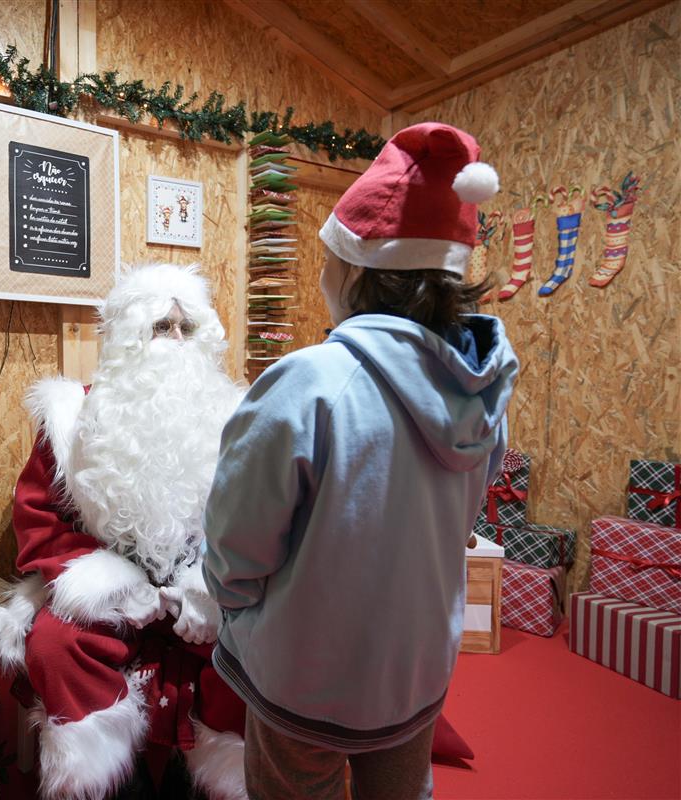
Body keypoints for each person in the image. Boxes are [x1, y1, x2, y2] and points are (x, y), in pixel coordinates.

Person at [202, 122, 520, 800]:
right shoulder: (481, 386)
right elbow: (468, 510)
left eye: (326, 258)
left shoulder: (309, 382)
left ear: (354, 269)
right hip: (416, 671)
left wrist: (244, 620)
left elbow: (237, 545)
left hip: (306, 678)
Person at [0, 263, 250, 800]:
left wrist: (210, 586)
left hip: (201, 592)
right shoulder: (74, 418)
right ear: (128, 338)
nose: (176, 341)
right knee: (56, 645)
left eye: (188, 329)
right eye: (161, 327)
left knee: (255, 649)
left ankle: (209, 782)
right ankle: (109, 785)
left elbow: (258, 522)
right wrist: (112, 583)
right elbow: (40, 519)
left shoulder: (234, 419)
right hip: (111, 591)